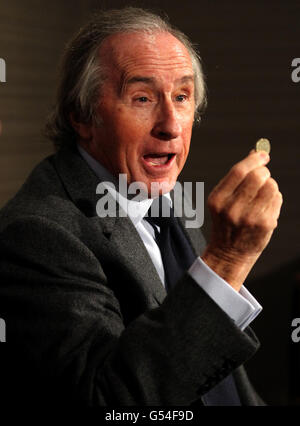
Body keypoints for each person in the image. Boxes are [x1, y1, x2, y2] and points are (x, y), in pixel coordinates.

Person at [0, 7, 282, 406]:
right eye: (143, 97)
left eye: (182, 97)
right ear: (82, 115)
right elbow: (112, 401)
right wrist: (227, 259)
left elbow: (217, 377)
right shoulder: (37, 234)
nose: (171, 124)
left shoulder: (164, 199)